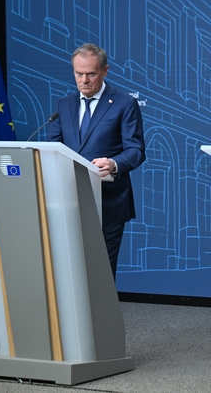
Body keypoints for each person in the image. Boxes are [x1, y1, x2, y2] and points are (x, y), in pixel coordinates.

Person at [48, 43, 146, 281]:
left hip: (108, 199)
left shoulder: (124, 103)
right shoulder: (64, 105)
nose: (84, 80)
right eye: (78, 74)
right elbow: (53, 147)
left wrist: (114, 163)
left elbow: (135, 150)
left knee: (100, 272)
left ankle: (100, 319)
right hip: (69, 199)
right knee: (70, 270)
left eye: (90, 74)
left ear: (105, 71)